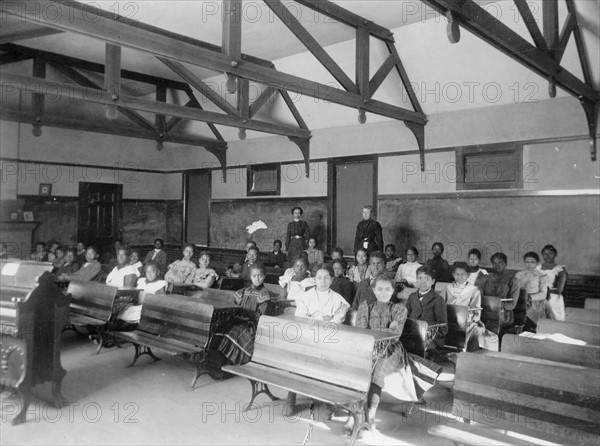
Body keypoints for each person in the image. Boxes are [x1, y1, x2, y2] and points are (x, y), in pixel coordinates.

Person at [350, 273, 442, 433]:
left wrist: (380, 331)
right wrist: (387, 328)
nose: (383, 292)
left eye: (387, 289)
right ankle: (355, 412)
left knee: (379, 363)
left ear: (393, 290)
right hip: (367, 347)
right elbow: (361, 331)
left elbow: (395, 335)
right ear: (374, 290)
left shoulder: (399, 308)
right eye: (379, 289)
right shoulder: (365, 306)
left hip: (392, 350)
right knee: (355, 364)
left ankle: (370, 414)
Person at [285, 266, 350, 416]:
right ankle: (291, 397)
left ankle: (326, 400)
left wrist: (318, 318)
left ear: (332, 280)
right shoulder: (305, 296)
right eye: (319, 278)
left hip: (328, 338)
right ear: (314, 279)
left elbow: (337, 320)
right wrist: (323, 318)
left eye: (327, 278)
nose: (323, 281)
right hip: (308, 336)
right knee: (297, 358)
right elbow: (301, 317)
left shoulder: (338, 299)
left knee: (327, 361)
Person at [218, 263, 272, 365]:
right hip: (241, 321)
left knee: (236, 331)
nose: (257, 279)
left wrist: (248, 318)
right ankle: (223, 358)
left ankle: (234, 359)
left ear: (264, 276)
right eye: (254, 276)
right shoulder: (244, 291)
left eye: (260, 276)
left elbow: (261, 316)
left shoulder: (264, 294)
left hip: (253, 325)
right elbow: (235, 307)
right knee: (223, 327)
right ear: (250, 277)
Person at [443, 262, 498, 352]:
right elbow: (441, 304)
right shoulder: (447, 288)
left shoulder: (474, 290)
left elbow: (476, 310)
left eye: (462, 274)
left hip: (466, 320)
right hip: (447, 318)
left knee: (472, 329)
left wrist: (470, 318)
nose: (459, 276)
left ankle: (465, 351)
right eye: (457, 274)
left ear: (468, 275)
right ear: (453, 274)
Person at [114, 262, 168, 332]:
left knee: (133, 316)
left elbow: (160, 301)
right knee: (123, 311)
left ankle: (129, 328)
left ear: (158, 272)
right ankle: (120, 328)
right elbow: (135, 294)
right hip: (136, 305)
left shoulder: (161, 283)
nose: (149, 274)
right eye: (147, 272)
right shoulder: (141, 281)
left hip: (148, 308)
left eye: (153, 271)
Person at [405, 266, 448, 350]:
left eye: (426, 279)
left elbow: (443, 326)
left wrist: (428, 334)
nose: (423, 282)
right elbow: (405, 317)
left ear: (433, 281)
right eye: (420, 278)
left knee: (416, 346)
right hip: (413, 334)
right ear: (416, 280)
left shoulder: (438, 299)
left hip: (431, 338)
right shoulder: (412, 297)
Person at [478, 252, 520, 332]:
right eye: (494, 263)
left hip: (503, 315)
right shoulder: (485, 278)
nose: (497, 266)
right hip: (485, 312)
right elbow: (478, 296)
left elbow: (512, 305)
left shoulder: (513, 280)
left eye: (500, 263)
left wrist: (495, 304)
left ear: (505, 264)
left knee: (489, 326)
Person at [516, 252, 553, 329]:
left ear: (537, 263)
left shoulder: (542, 276)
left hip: (535, 302)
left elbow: (543, 294)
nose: (529, 265)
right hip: (520, 300)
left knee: (528, 316)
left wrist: (529, 297)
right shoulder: (519, 274)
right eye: (527, 262)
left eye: (532, 262)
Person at [538, 244, 566, 321]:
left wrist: (544, 291)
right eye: (544, 254)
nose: (547, 256)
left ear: (555, 255)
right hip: (538, 297)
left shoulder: (559, 270)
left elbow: (559, 290)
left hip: (553, 299)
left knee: (553, 323)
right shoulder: (537, 268)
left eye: (550, 253)